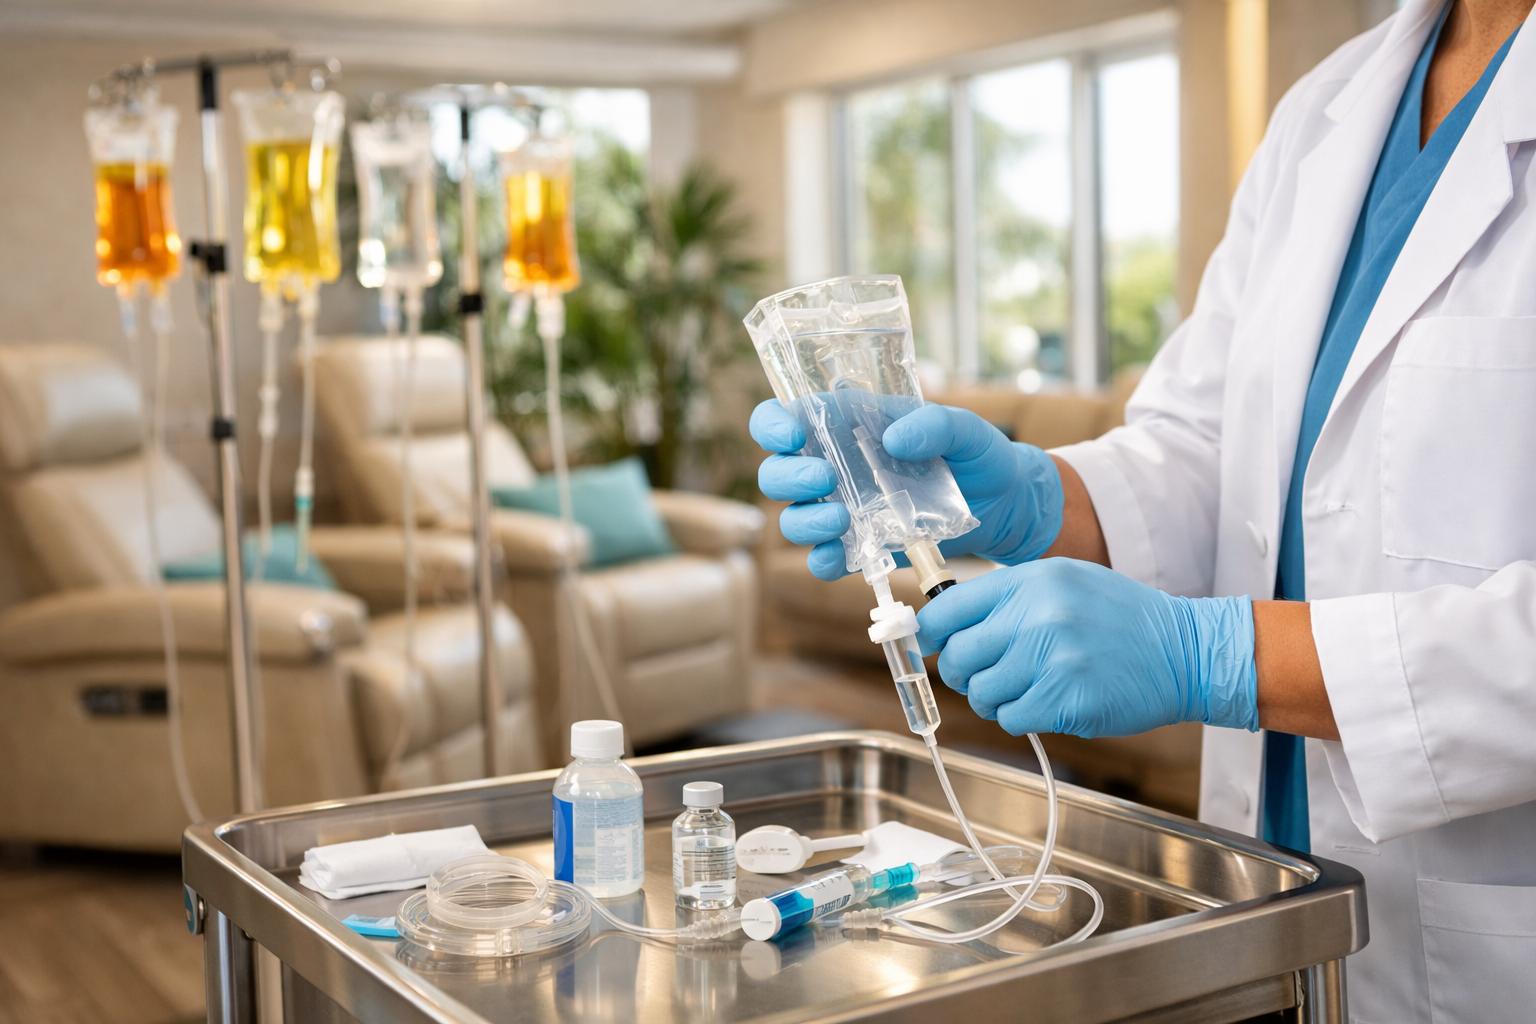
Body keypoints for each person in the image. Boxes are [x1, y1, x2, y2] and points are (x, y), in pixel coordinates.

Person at [751, 0, 1536, 1018]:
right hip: (1277, 904)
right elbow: (1207, 446)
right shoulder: (1331, 108)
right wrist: (1034, 495)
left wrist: (1218, 656)